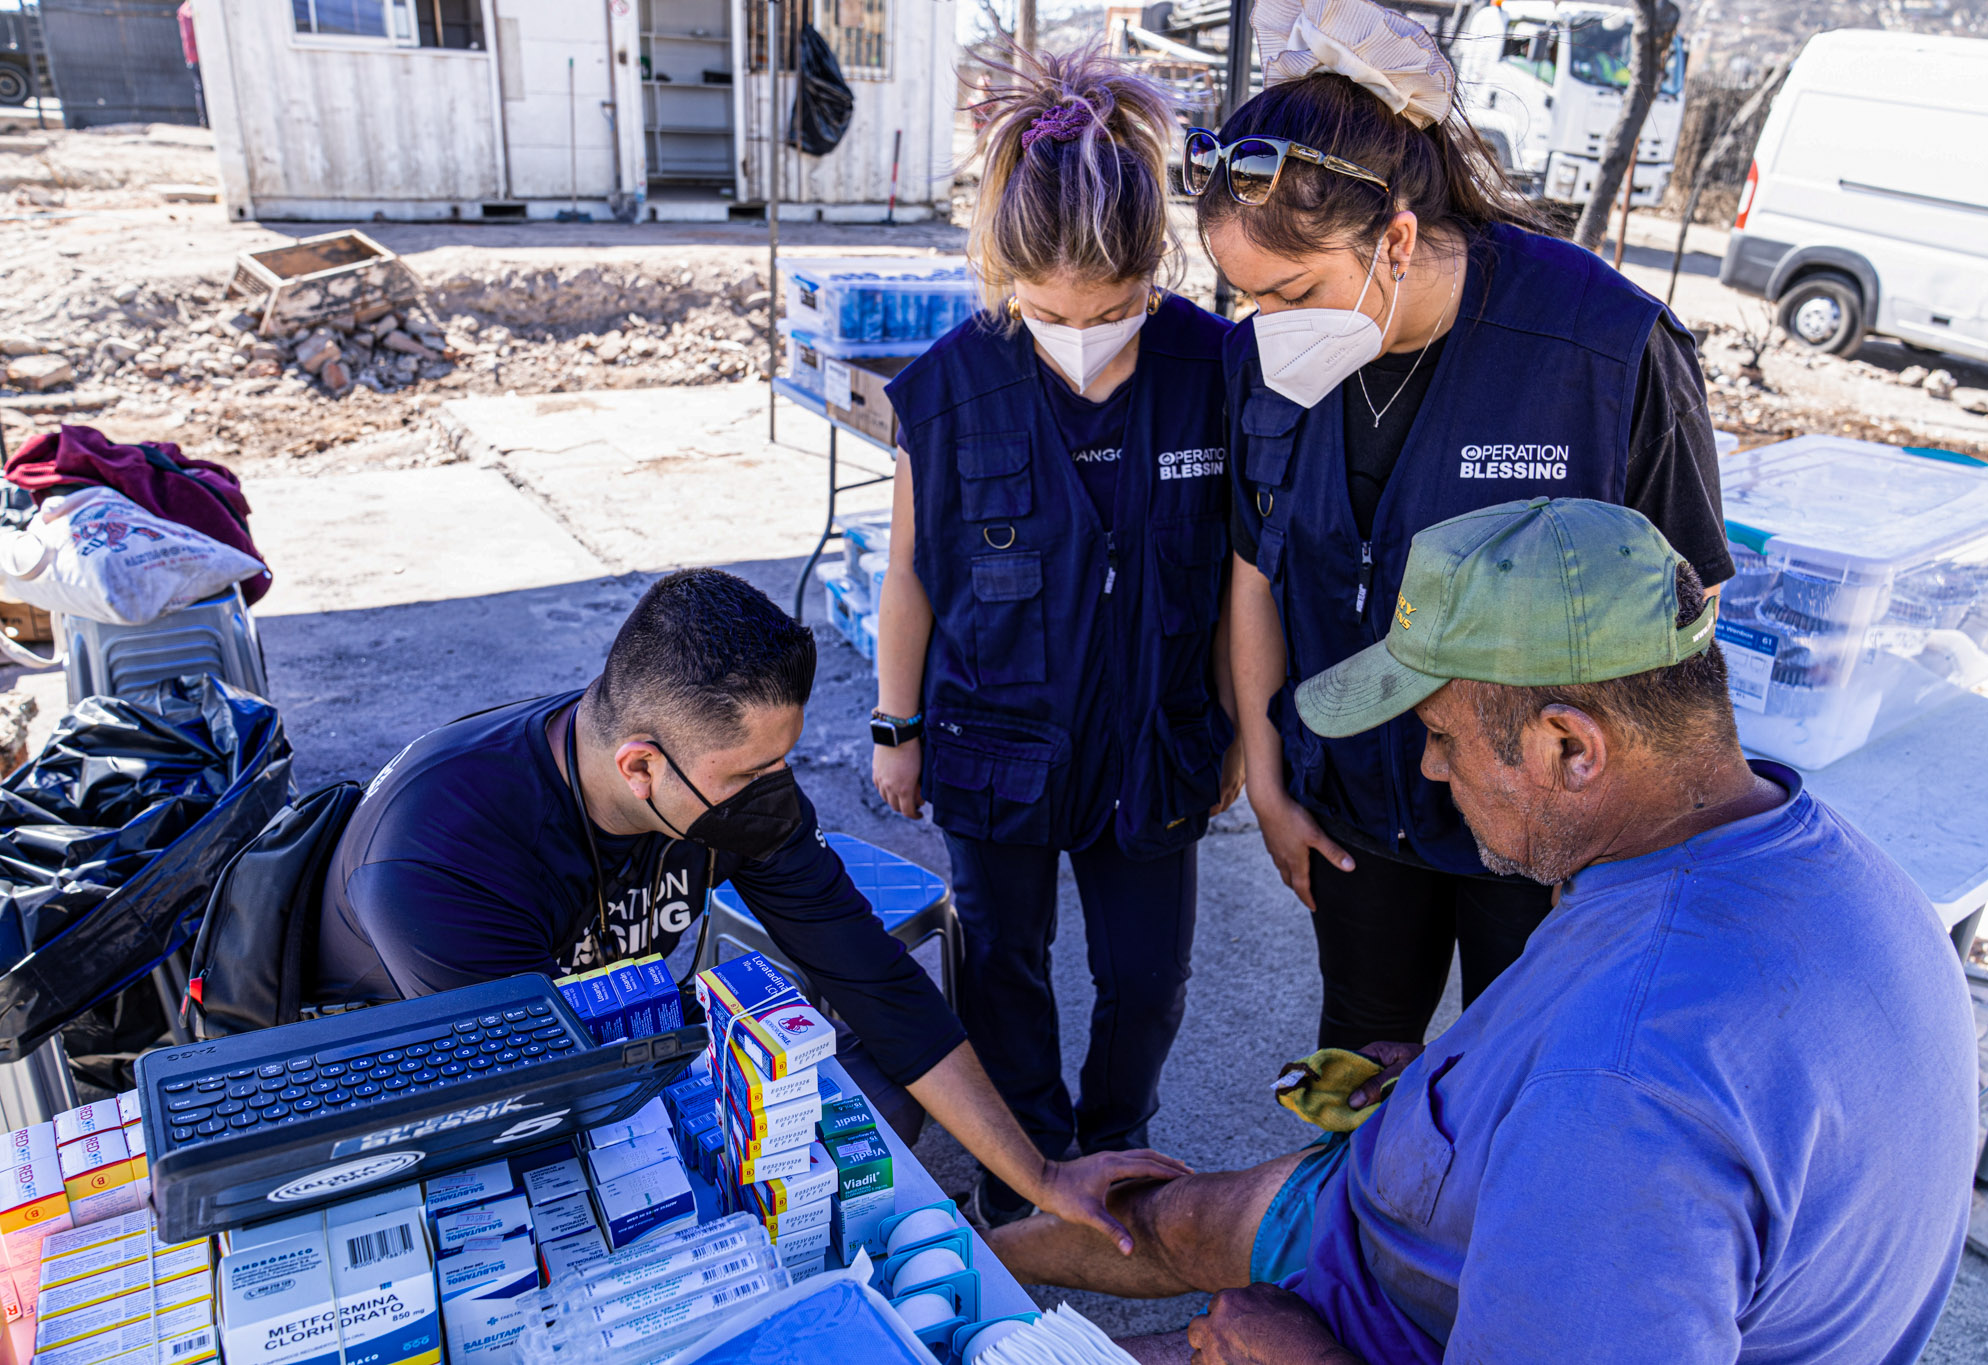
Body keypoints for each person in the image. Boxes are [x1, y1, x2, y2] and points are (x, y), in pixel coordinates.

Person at [988, 498, 1978, 1365]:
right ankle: (930, 1251)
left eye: (1439, 737)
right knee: (1162, 1221)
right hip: (1443, 1212)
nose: (1427, 772)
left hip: (1417, 1317)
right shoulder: (1773, 847)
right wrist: (1466, 1072)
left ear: (1567, 746)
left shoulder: (1620, 1101)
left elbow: (1622, 1108)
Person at [315, 567, 1188, 1251]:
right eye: (747, 777)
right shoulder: (444, 857)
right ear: (639, 765)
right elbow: (547, 1109)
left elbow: (873, 973)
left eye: (783, 763)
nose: (776, 797)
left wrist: (1039, 1175)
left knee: (870, 1104)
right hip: (429, 1100)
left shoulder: (715, 778)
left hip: (603, 1051)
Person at [1201, 0, 1735, 1052]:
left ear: (1393, 237)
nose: (1266, 325)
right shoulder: (1261, 360)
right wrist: (1268, 786)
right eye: (1244, 295)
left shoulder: (1605, 347)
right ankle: (1345, 1219)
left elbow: (1689, 611)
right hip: (1352, 801)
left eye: (1295, 289)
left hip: (1545, 826)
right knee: (1357, 1063)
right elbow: (1253, 568)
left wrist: (1617, 839)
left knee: (1528, 1070)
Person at [872, 45, 1243, 1231]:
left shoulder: (1214, 372)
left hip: (1156, 739)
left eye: (1114, 310)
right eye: (1045, 314)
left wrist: (1242, 732)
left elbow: (1242, 575)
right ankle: (1025, 1169)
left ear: (1154, 271)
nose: (1081, 337)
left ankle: (1115, 1141)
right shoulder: (946, 387)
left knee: (1146, 977)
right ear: (1001, 277)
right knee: (1002, 966)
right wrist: (896, 727)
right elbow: (910, 576)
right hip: (992, 737)